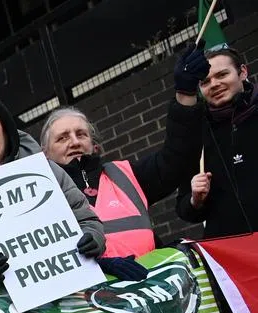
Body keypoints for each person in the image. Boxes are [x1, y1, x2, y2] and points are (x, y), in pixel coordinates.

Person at [40, 43, 207, 266]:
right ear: (45, 154)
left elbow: (178, 157)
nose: (74, 141)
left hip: (153, 290)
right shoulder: (40, 196)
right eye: (62, 137)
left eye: (81, 134)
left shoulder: (126, 174)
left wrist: (185, 94)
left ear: (95, 145)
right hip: (89, 299)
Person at [0, 93, 107, 285]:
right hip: (5, 306)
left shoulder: (47, 169)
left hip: (74, 290)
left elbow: (87, 220)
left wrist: (93, 239)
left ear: (4, 126)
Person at [177, 47, 256, 238]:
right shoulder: (196, 133)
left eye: (222, 74)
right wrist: (195, 200)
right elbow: (184, 208)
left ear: (242, 72)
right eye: (205, 82)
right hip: (232, 254)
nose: (214, 84)